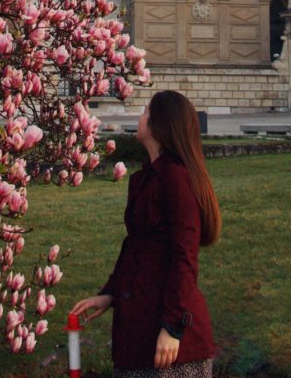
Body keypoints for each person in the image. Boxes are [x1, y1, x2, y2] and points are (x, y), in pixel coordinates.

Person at [71, 90, 221, 376]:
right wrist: (110, 294)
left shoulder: (176, 179)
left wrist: (172, 328)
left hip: (171, 342)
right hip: (140, 325)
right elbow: (137, 247)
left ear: (159, 126)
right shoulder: (152, 176)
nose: (140, 117)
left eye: (145, 112)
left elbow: (184, 257)